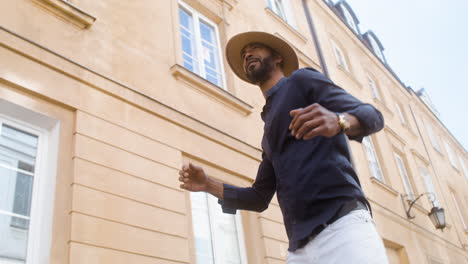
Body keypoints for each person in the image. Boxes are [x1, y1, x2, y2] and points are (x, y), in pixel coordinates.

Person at [178, 31, 389, 263]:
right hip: (299, 250)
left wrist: (339, 121)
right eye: (244, 54)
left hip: (343, 228)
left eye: (255, 48)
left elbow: (373, 115)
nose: (247, 54)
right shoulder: (268, 129)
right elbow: (259, 197)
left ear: (277, 57)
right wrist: (209, 185)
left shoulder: (302, 80)